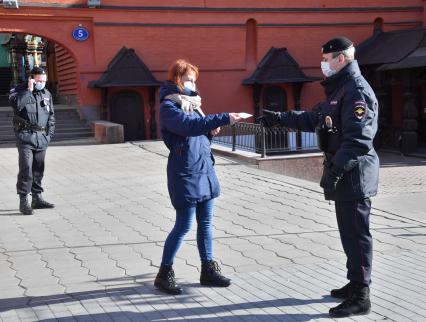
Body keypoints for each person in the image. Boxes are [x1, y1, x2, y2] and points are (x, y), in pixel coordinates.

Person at [259, 37, 379, 318]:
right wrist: (280, 117)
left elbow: (359, 140)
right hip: (345, 175)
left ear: (341, 59)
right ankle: (354, 282)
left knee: (357, 234)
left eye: (326, 60)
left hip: (354, 175)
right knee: (348, 233)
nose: (323, 65)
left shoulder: (356, 91)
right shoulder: (340, 89)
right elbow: (316, 117)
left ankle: (362, 295)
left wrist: (335, 171)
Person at [155, 59, 242, 295]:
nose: (193, 83)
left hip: (204, 169)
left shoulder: (193, 104)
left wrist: (210, 130)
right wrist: (222, 118)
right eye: (188, 79)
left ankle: (208, 270)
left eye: (194, 79)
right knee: (183, 225)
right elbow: (187, 128)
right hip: (185, 172)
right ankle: (164, 273)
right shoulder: (169, 106)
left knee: (205, 224)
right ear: (177, 80)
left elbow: (198, 133)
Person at [9, 66, 55, 216]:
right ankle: (23, 202)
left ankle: (37, 198)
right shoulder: (18, 91)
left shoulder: (47, 93)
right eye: (39, 80)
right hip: (25, 137)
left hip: (42, 137)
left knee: (38, 169)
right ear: (31, 78)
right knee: (26, 169)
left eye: (44, 81)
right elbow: (16, 105)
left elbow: (51, 117)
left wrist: (49, 135)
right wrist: (28, 90)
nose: (42, 83)